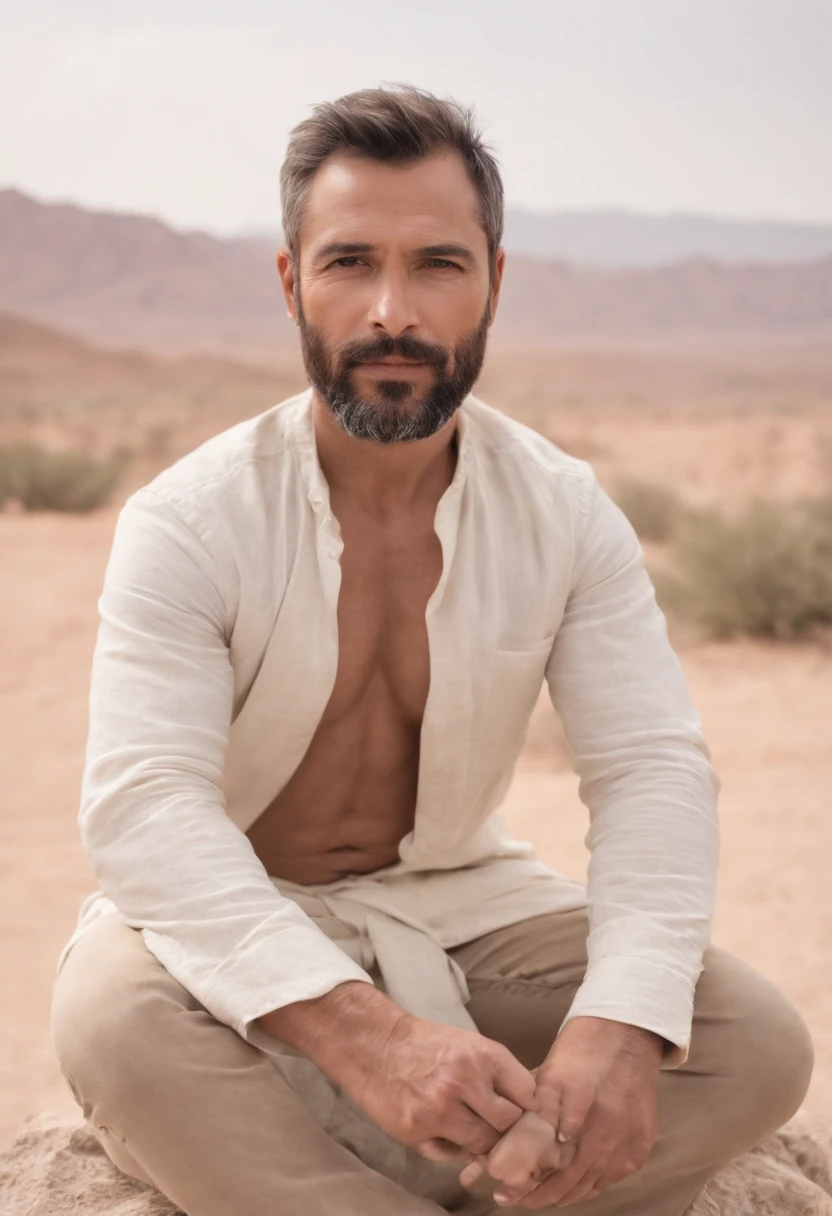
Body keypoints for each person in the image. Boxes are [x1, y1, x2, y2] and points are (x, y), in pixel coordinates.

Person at [50, 84, 814, 1216]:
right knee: (111, 1021)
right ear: (290, 281)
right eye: (350, 261)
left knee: (748, 1040)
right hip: (225, 915)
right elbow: (145, 811)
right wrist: (367, 1040)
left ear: (495, 281)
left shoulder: (562, 511)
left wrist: (616, 1026)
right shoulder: (191, 518)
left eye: (439, 266)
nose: (390, 312)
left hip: (457, 905)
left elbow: (650, 768)